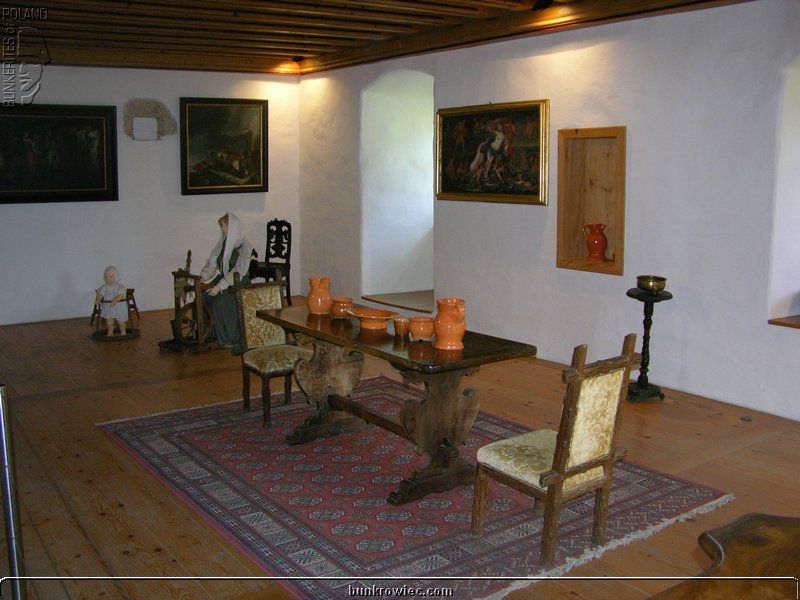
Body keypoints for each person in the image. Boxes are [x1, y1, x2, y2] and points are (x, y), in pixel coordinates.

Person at [199, 212, 253, 348]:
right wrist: (203, 276)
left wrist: (219, 287)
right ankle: (208, 333)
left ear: (232, 226)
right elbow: (213, 264)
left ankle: (229, 338)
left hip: (238, 282)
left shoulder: (245, 245)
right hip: (225, 279)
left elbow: (239, 271)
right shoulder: (224, 243)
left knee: (219, 304)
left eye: (223, 226)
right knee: (202, 298)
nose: (222, 229)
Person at [94, 266, 128, 336]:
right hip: (109, 307)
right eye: (106, 277)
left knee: (120, 321)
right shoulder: (104, 287)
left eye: (110, 277)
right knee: (109, 322)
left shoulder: (120, 287)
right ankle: (110, 332)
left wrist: (115, 300)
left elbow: (121, 295)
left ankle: (123, 332)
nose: (108, 279)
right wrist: (98, 299)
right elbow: (100, 293)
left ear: (115, 277)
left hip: (118, 306)